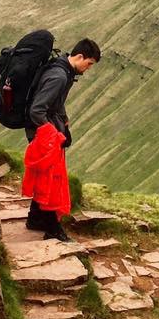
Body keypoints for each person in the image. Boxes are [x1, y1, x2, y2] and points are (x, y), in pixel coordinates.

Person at [24, 38, 100, 240]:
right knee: (52, 179)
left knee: (45, 176)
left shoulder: (63, 71)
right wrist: (54, 134)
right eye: (89, 63)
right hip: (45, 133)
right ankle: (52, 228)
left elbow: (56, 103)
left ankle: (35, 218)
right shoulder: (59, 76)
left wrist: (65, 125)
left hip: (48, 130)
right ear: (80, 57)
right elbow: (37, 110)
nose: (88, 68)